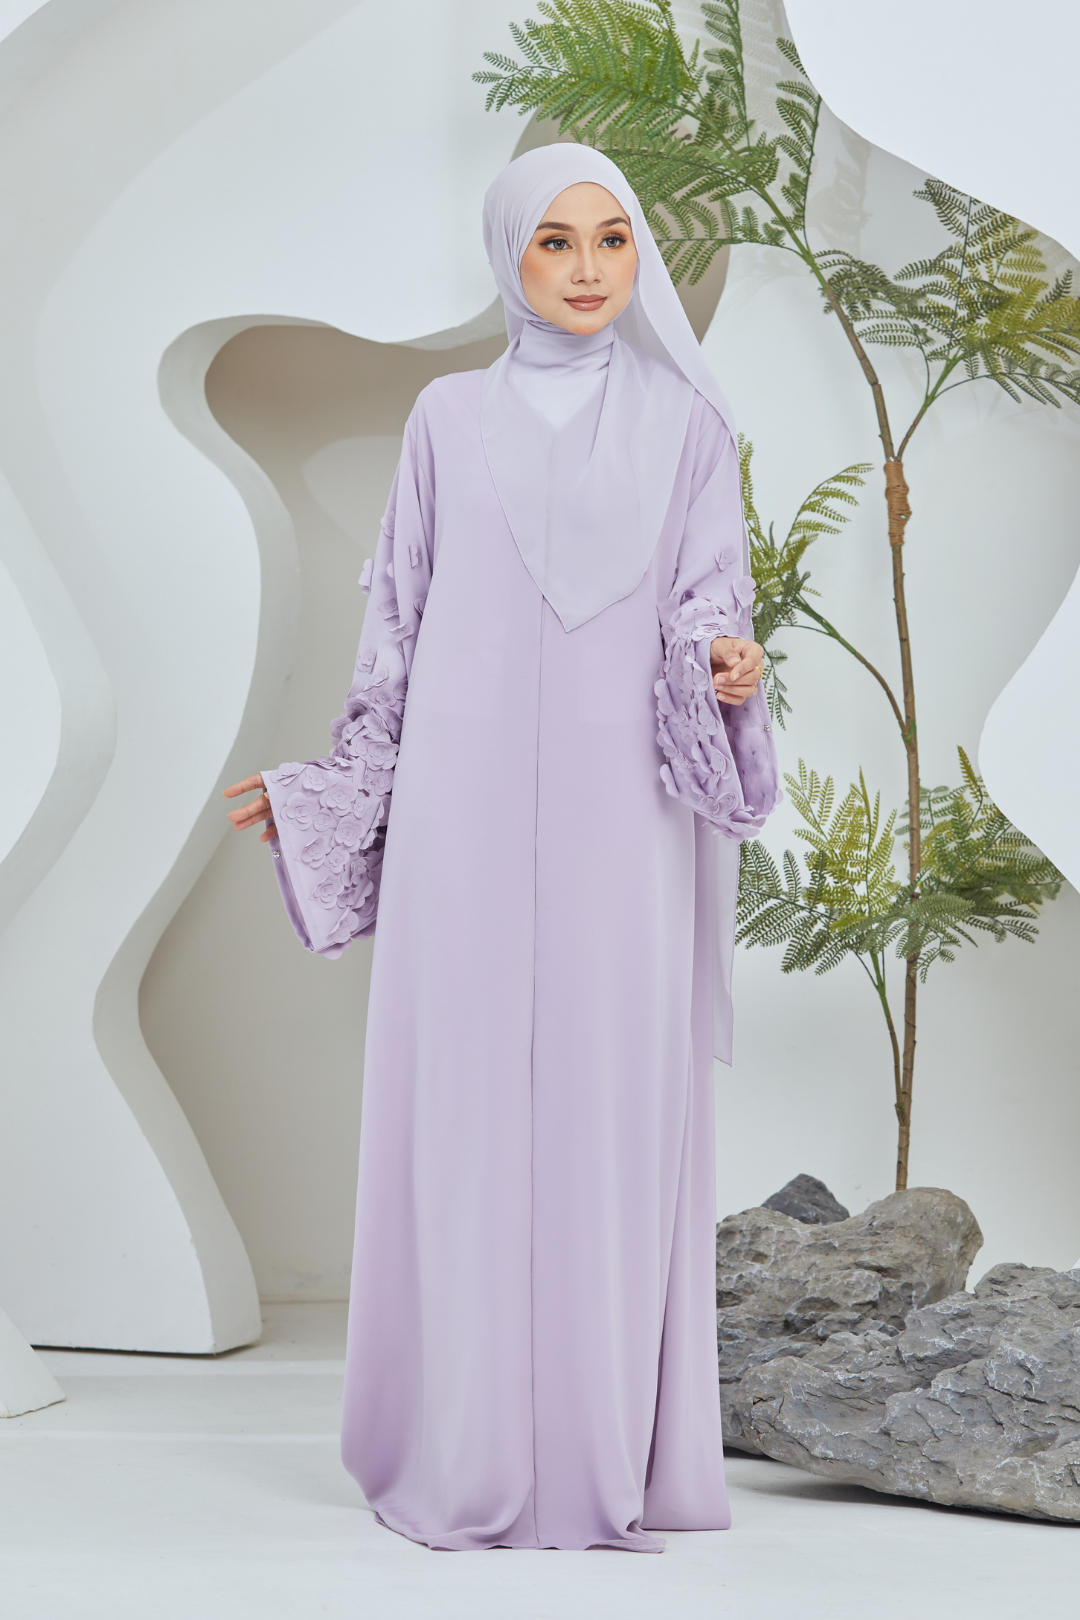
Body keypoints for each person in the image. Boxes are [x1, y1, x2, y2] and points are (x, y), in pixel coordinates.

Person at [225, 143, 779, 1552]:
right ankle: (459, 1443)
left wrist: (726, 660)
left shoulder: (687, 424)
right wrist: (334, 790)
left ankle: (600, 1456)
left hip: (625, 812)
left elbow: (711, 598)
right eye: (555, 242)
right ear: (509, 256)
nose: (589, 268)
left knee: (610, 1098)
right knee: (461, 1095)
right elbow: (396, 626)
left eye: (613, 240)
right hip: (459, 805)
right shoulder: (445, 416)